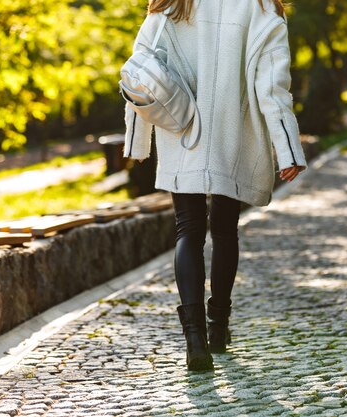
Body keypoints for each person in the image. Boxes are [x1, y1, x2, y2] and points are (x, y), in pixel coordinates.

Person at [122, 0, 307, 371]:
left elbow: (140, 69)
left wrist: (136, 140)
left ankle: (195, 342)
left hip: (180, 127)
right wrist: (287, 149)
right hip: (231, 130)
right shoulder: (261, 9)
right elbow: (272, 85)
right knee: (225, 231)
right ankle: (218, 327)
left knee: (188, 230)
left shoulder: (171, 4)